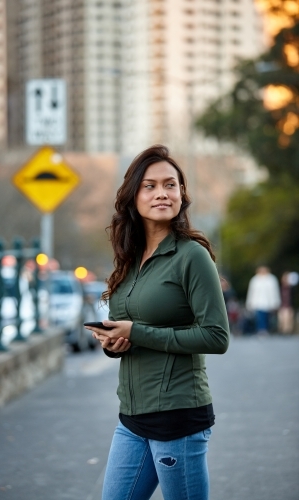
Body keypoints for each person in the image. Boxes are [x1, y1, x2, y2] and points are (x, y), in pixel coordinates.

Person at [85, 145, 230, 500]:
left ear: (182, 193)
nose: (162, 193)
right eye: (150, 186)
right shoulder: (130, 258)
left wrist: (138, 332)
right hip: (132, 417)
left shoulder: (192, 256)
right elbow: (129, 328)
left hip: (177, 418)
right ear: (133, 195)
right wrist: (114, 345)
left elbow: (216, 336)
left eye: (171, 184)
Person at [245, 266, 281, 334]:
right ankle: (261, 329)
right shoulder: (255, 280)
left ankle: (267, 329)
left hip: (269, 303)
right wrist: (249, 302)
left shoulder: (272, 279)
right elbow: (251, 292)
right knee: (260, 317)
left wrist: (276, 302)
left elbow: (275, 292)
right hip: (258, 302)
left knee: (268, 317)